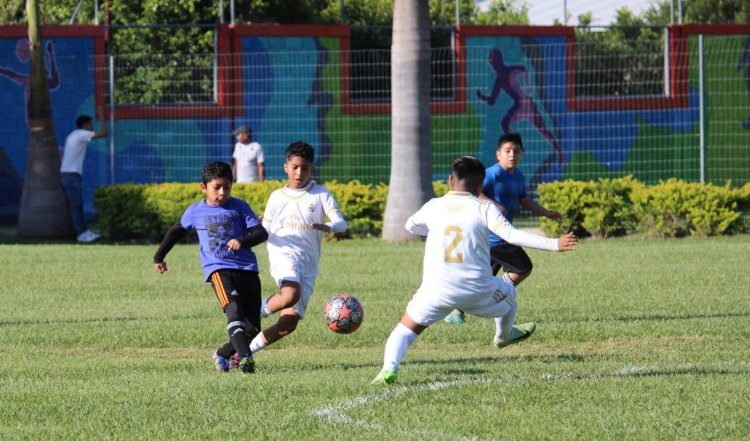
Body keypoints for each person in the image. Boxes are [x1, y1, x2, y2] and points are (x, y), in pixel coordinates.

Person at [372, 156, 577, 384]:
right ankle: (504, 336)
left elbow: (410, 225)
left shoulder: (433, 206)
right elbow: (511, 235)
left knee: (405, 330)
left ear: (451, 180)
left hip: (436, 292)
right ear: (480, 186)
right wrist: (554, 244)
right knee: (509, 289)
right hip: (477, 291)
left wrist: (434, 230)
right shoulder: (483, 208)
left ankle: (388, 369)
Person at [153, 161, 268, 374]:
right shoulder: (195, 211)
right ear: (203, 187)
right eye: (217, 187)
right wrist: (159, 256)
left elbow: (261, 233)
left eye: (227, 186)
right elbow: (176, 231)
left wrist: (243, 240)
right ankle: (245, 358)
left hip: (248, 269)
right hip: (218, 269)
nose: (222, 192)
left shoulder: (240, 206)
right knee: (233, 309)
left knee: (252, 329)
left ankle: (222, 354)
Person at [445, 132, 564, 325]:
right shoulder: (491, 175)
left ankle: (456, 310)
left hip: (496, 239)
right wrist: (494, 205)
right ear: (498, 154)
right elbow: (474, 193)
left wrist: (546, 212)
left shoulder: (518, 176)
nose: (512, 155)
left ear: (521, 154)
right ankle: (502, 293)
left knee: (481, 278)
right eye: (507, 151)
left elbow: (523, 199)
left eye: (516, 151)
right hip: (495, 238)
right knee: (524, 267)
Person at [248, 141, 347, 355]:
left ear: (312, 168)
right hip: (283, 255)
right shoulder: (276, 197)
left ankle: (244, 351)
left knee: (288, 325)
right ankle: (252, 313)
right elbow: (265, 230)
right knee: (290, 293)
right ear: (286, 167)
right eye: (294, 167)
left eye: (305, 167)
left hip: (308, 265)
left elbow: (342, 223)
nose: (299, 172)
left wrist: (327, 226)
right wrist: (252, 231)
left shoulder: (321, 194)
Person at [60, 108, 108, 243]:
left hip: (70, 175)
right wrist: (103, 117)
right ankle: (81, 234)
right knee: (75, 206)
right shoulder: (81, 134)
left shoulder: (75, 134)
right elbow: (104, 133)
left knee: (78, 205)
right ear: (85, 125)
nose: (92, 127)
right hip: (70, 175)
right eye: (90, 124)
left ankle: (84, 231)